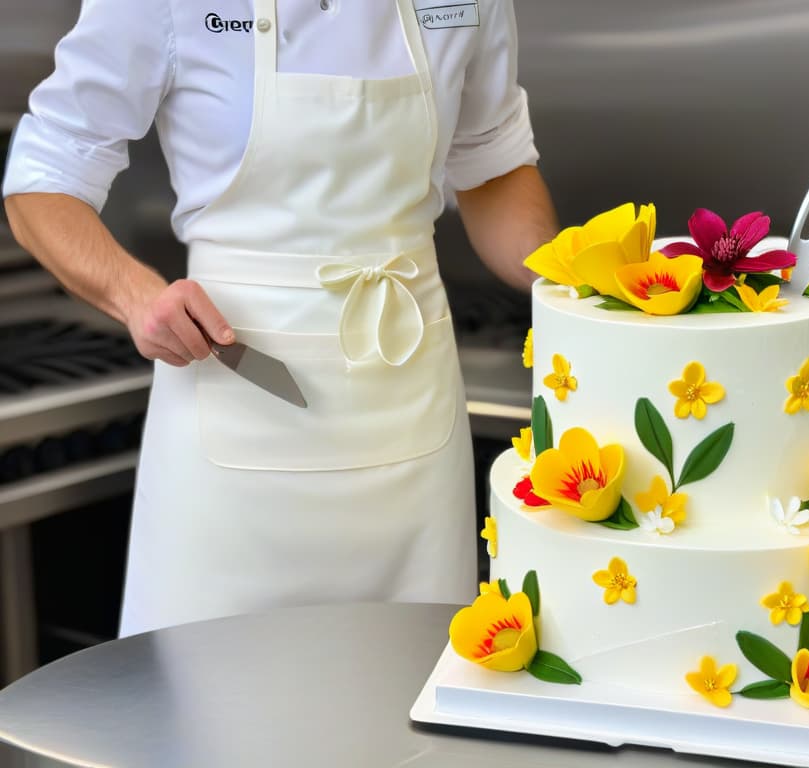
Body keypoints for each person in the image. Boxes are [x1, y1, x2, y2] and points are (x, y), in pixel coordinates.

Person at [3, 0, 557, 636]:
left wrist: (576, 277)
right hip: (233, 405)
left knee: (405, 687)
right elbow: (46, 172)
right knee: (211, 702)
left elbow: (490, 161)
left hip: (411, 418)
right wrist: (135, 296)